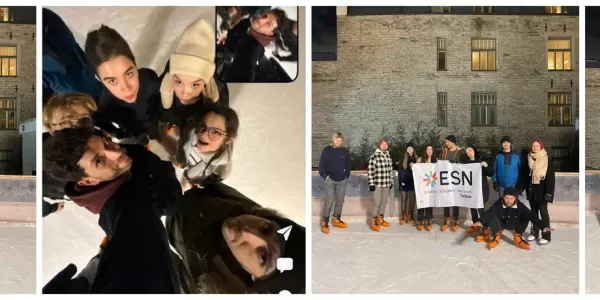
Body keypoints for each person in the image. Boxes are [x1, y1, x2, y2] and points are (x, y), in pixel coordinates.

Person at [42, 123, 181, 239]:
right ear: (89, 181)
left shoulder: (123, 158)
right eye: (99, 161)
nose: (116, 152)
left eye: (105, 143)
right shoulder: (121, 213)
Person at [166, 182, 305, 294]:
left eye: (263, 256)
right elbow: (224, 191)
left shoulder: (206, 285)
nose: (247, 232)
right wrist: (205, 183)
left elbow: (169, 271)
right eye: (266, 229)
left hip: (170, 227)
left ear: (254, 278)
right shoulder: (248, 212)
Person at [85, 24, 161, 142]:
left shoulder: (149, 77)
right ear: (100, 79)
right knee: (141, 139)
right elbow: (99, 122)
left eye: (129, 74)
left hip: (153, 122)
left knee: (154, 132)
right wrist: (118, 133)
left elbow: (158, 101)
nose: (127, 88)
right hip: (134, 131)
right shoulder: (105, 106)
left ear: (135, 63)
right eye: (112, 81)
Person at [159, 18, 229, 137]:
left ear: (206, 82)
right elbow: (159, 113)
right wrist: (166, 105)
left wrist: (212, 106)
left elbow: (216, 127)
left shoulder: (219, 90)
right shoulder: (168, 76)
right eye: (178, 82)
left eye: (195, 84)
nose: (185, 94)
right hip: (177, 115)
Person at [219, 8, 294, 82]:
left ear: (270, 33)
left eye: (268, 24)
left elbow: (243, 73)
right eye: (265, 15)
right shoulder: (252, 23)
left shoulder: (252, 49)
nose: (260, 20)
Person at [174, 104, 239, 186]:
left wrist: (195, 181)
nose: (203, 135)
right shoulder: (192, 131)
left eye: (215, 132)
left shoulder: (223, 170)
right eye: (202, 125)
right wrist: (181, 160)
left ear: (227, 140)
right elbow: (182, 143)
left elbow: (208, 182)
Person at [471, 187, 553, 250]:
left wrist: (543, 227)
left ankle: (517, 236)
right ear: (503, 197)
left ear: (515, 198)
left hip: (513, 224)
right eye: (506, 198)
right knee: (493, 216)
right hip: (501, 224)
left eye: (511, 198)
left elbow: (532, 215)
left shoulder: (519, 205)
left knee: (526, 215)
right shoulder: (499, 203)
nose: (509, 201)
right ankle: (496, 235)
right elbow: (489, 212)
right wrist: (480, 222)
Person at [521, 140, 555, 244]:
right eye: (533, 146)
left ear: (541, 147)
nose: (535, 148)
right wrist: (521, 188)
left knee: (543, 213)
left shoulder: (547, 159)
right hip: (532, 190)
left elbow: (550, 178)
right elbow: (525, 176)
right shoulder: (529, 158)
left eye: (537, 146)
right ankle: (534, 232)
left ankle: (546, 235)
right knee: (533, 213)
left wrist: (549, 193)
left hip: (542, 190)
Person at [318, 132, 351, 234]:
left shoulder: (345, 151)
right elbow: (321, 165)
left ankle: (337, 219)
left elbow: (348, 164)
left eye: (340, 140)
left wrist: (347, 174)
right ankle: (325, 221)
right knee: (329, 201)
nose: (339, 142)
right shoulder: (327, 150)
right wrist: (325, 176)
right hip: (330, 180)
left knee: (340, 201)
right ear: (333, 140)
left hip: (342, 180)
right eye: (337, 140)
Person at [460, 146, 494, 233]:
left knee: (481, 208)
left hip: (482, 187)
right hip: (471, 189)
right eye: (467, 152)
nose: (469, 153)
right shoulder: (466, 164)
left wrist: (486, 166)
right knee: (473, 207)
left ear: (474, 151)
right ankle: (476, 224)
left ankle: (485, 226)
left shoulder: (481, 161)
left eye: (470, 150)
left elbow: (491, 172)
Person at [367, 138, 394, 232]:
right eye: (382, 144)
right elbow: (370, 171)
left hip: (386, 183)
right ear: (379, 145)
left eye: (386, 144)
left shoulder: (388, 156)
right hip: (377, 184)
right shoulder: (374, 156)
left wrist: (391, 182)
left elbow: (390, 170)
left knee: (384, 201)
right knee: (377, 202)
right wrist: (371, 183)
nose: (384, 145)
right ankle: (374, 220)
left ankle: (380, 218)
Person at [440, 135, 462, 232]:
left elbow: (463, 164)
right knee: (446, 199)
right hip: (446, 178)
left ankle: (456, 220)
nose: (446, 144)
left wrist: (457, 163)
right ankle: (446, 219)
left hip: (456, 179)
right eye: (446, 142)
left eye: (448, 142)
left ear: (453, 142)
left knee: (455, 199)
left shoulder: (460, 152)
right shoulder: (444, 151)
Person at [416, 145, 437, 231]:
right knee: (421, 201)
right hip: (422, 184)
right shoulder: (421, 159)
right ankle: (420, 220)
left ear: (433, 151)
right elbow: (415, 169)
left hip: (431, 184)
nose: (429, 151)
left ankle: (428, 219)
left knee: (429, 202)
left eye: (431, 149)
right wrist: (413, 165)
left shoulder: (436, 161)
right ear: (425, 150)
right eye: (427, 149)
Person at [399, 143, 418, 226]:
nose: (410, 149)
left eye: (411, 148)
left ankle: (410, 216)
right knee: (404, 199)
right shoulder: (403, 157)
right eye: (408, 148)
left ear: (413, 149)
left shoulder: (416, 158)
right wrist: (400, 180)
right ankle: (403, 216)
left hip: (413, 181)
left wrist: (415, 165)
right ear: (406, 149)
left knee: (412, 199)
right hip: (404, 181)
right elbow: (399, 169)